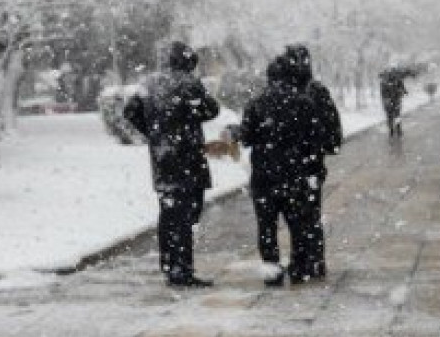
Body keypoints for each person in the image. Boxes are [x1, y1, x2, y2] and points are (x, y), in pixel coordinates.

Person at [124, 42, 221, 287]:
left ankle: (170, 264)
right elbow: (212, 110)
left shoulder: (149, 83)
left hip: (162, 157)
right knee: (186, 214)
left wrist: (154, 133)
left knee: (168, 212)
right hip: (187, 157)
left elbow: (130, 110)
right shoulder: (189, 83)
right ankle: (181, 269)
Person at [239, 55, 326, 286]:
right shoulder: (304, 103)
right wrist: (314, 171)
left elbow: (246, 138)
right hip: (294, 174)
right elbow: (313, 142)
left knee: (266, 225)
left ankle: (272, 269)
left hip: (264, 175)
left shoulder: (256, 104)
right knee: (298, 224)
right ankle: (299, 267)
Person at [283, 44, 341, 279]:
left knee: (295, 214)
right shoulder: (315, 90)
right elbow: (333, 130)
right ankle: (314, 260)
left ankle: (301, 260)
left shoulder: (284, 92)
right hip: (310, 164)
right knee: (310, 212)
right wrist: (321, 147)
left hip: (287, 164)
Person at [379, 68, 409, 138]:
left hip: (388, 101)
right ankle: (398, 130)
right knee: (397, 115)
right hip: (396, 100)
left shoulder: (383, 81)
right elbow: (403, 89)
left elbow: (383, 93)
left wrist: (386, 99)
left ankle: (391, 130)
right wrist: (403, 92)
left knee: (389, 116)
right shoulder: (398, 80)